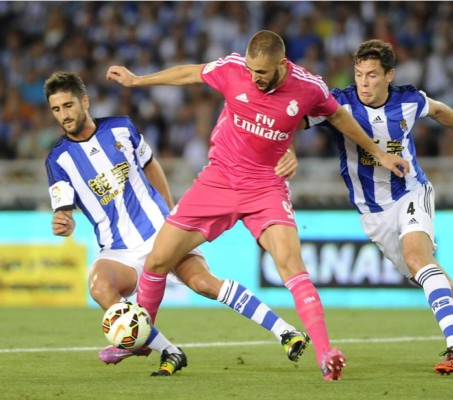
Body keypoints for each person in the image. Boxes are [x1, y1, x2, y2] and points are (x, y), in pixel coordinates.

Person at [106, 30, 410, 381]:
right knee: (158, 259)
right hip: (218, 180)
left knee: (291, 266)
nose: (254, 78)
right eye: (251, 71)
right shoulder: (234, 69)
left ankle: (326, 353)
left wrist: (379, 154)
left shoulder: (308, 87)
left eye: (262, 72)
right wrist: (139, 80)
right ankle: (140, 338)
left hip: (266, 188)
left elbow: (338, 117)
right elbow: (191, 72)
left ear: (282, 64)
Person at [44, 71, 310, 377]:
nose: (64, 115)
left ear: (85, 102)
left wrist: (172, 214)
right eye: (56, 109)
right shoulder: (58, 159)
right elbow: (63, 208)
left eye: (68, 105)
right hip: (118, 250)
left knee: (205, 284)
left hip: (160, 231)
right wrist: (62, 221)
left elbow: (151, 166)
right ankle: (169, 351)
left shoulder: (120, 128)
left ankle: (286, 332)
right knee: (99, 286)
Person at [304, 39, 453, 375]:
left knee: (417, 257)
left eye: (372, 75)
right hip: (373, 214)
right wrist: (283, 148)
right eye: (359, 75)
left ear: (389, 75)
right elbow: (293, 121)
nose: (364, 82)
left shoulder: (407, 100)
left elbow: (440, 110)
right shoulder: (338, 104)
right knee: (441, 286)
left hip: (411, 192)